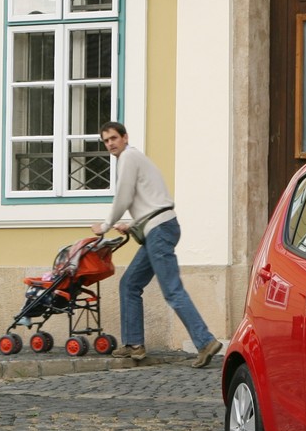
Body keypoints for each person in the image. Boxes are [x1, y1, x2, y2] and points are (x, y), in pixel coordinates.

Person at [91, 121, 222, 369]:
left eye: (113, 138)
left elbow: (124, 196)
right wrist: (132, 224)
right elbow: (151, 201)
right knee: (129, 283)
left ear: (125, 137)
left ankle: (205, 341)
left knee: (172, 290)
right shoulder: (135, 158)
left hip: (159, 230)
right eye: (106, 140)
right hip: (158, 226)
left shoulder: (128, 157)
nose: (110, 144)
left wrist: (106, 225)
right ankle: (134, 344)